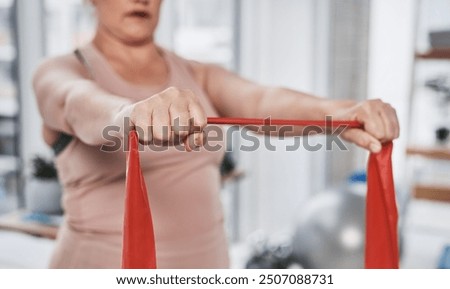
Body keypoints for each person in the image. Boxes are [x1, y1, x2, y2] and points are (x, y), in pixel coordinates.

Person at [33, 0, 399, 269]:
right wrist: (129, 114)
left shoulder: (199, 74)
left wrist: (342, 113)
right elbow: (76, 103)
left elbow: (261, 99)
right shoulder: (61, 70)